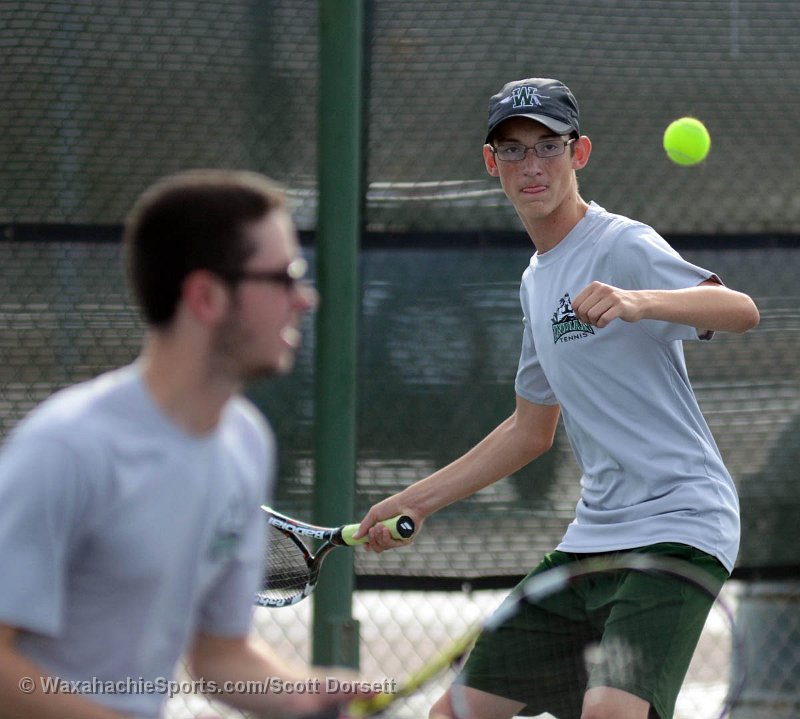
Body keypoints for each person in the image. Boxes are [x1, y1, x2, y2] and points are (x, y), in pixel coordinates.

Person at [355, 78, 760, 719]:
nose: (532, 165)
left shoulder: (621, 244)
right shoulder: (535, 282)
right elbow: (529, 430)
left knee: (609, 711)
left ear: (579, 153)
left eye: (548, 145)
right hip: (592, 538)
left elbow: (740, 310)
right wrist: (416, 501)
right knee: (454, 714)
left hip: (681, 524)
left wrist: (638, 300)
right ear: (492, 163)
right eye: (513, 150)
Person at [0, 170, 363, 718]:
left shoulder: (245, 443)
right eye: (284, 277)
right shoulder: (66, 449)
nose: (304, 299)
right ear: (206, 296)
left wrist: (309, 695)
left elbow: (219, 654)